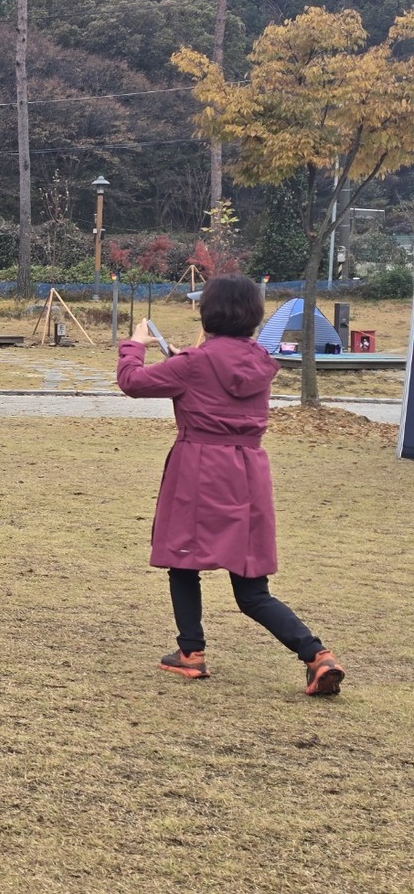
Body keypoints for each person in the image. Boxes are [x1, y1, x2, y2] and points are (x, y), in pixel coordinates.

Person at [117, 273, 344, 696]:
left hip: (199, 467)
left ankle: (191, 654)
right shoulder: (258, 359)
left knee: (183, 559)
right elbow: (220, 373)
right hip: (248, 470)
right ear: (255, 318)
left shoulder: (194, 364)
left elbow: (132, 382)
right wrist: (188, 358)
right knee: (252, 586)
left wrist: (135, 345)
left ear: (208, 313)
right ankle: (317, 655)